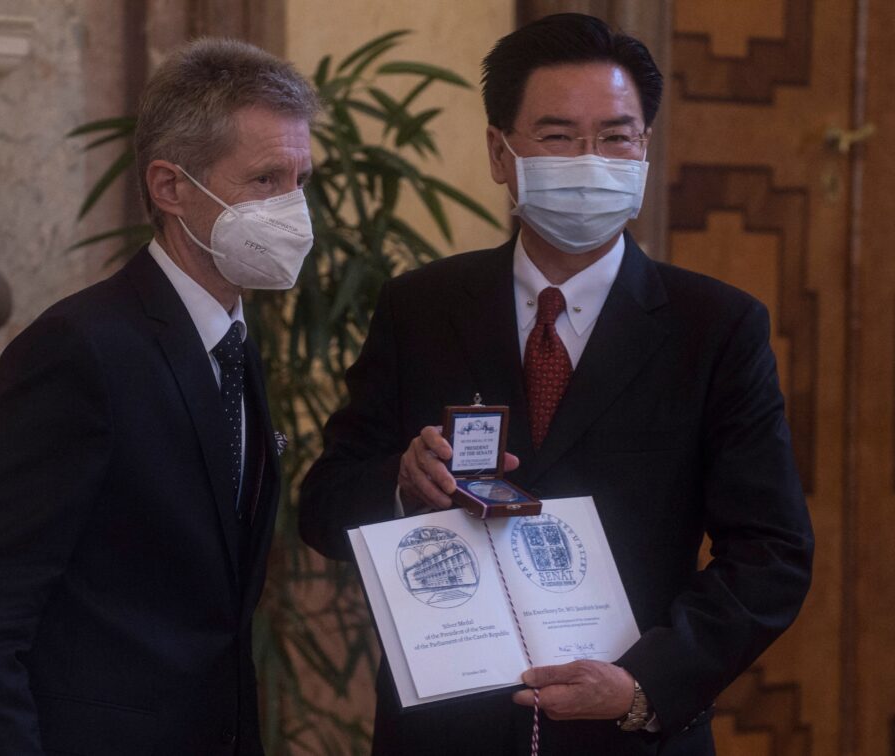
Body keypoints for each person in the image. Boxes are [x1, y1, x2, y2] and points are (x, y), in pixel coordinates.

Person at [298, 13, 813, 756]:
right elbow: (324, 507)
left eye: (616, 137)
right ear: (499, 152)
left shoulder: (717, 327)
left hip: (627, 735)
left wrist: (645, 685)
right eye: (559, 136)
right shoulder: (420, 307)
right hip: (447, 734)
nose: (589, 160)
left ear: (645, 149)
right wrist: (402, 488)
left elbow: (772, 552)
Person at [0, 38, 318, 756]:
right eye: (265, 179)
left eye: (300, 179)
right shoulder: (78, 350)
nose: (293, 208)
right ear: (170, 187)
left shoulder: (233, 341)